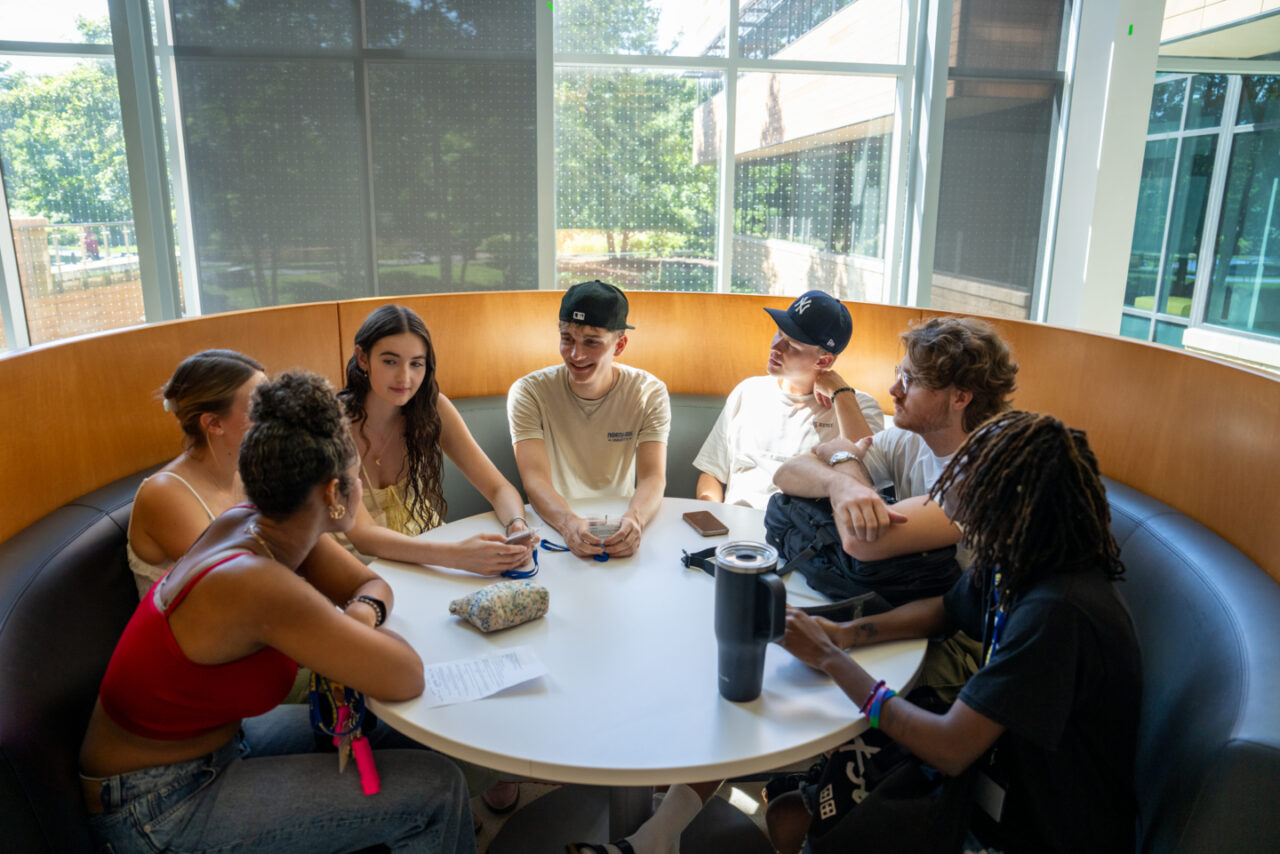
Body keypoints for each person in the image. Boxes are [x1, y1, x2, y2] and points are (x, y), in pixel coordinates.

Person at [79, 371, 474, 854]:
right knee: (437, 791)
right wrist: (348, 637)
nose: (361, 485)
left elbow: (369, 584)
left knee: (411, 736)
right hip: (157, 804)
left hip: (217, 746)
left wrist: (358, 619)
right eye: (356, 477)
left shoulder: (258, 526)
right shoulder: (257, 580)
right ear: (332, 493)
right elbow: (406, 675)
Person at [769, 411, 1141, 854]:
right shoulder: (1018, 559)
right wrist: (849, 633)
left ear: (1014, 507)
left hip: (1037, 830)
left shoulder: (1058, 613)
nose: (959, 515)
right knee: (789, 813)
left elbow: (950, 747)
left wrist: (831, 658)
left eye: (973, 501)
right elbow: (946, 609)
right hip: (987, 781)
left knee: (812, 832)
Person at [773, 315, 1018, 567]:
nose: (895, 390)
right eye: (900, 373)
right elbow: (786, 473)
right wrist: (839, 485)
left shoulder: (985, 473)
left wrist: (844, 461)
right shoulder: (910, 437)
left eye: (910, 381)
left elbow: (861, 542)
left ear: (960, 399)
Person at [338, 304, 534, 576]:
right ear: (362, 358)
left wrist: (517, 527)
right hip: (359, 566)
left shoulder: (433, 409)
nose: (405, 377)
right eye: (390, 361)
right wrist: (458, 556)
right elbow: (363, 536)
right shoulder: (335, 425)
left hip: (431, 550)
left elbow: (499, 488)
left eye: (416, 364)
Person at [508, 280, 670, 559]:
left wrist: (635, 520)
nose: (576, 354)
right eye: (567, 338)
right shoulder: (529, 392)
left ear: (619, 345)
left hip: (621, 523)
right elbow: (534, 479)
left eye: (592, 342)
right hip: (552, 527)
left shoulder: (648, 393)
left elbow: (653, 476)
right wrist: (568, 523)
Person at [694, 289, 884, 509]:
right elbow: (712, 473)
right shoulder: (747, 392)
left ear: (823, 361)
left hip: (803, 538)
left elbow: (867, 478)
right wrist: (712, 515)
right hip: (736, 535)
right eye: (779, 333)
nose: (775, 347)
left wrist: (841, 394)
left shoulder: (860, 407)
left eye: (791, 345)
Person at [127, 349, 266, 598]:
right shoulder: (164, 494)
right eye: (260, 407)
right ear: (214, 424)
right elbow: (236, 587)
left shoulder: (248, 470)